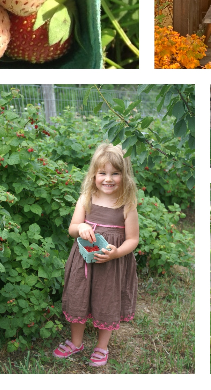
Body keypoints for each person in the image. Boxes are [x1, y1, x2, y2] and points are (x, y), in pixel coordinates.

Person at [52, 142, 139, 367]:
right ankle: (76, 342)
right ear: (93, 175)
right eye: (103, 173)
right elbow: (72, 228)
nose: (108, 179)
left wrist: (117, 252)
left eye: (115, 173)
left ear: (125, 175)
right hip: (84, 263)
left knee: (106, 301)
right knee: (78, 298)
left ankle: (102, 346)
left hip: (111, 265)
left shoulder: (127, 205)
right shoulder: (86, 198)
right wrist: (80, 227)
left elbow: (133, 240)